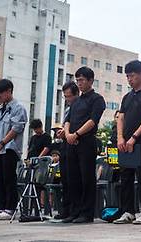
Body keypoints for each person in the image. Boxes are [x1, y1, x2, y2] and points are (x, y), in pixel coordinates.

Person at [113, 60, 141, 225]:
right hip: (125, 143)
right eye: (127, 76)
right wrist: (120, 138)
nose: (129, 79)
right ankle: (128, 211)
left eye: (132, 76)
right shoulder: (127, 96)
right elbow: (121, 117)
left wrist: (134, 137)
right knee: (125, 178)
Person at [62, 67, 106, 224]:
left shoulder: (97, 99)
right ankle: (74, 211)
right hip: (71, 142)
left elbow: (93, 121)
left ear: (90, 81)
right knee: (72, 178)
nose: (79, 83)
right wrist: (68, 134)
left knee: (86, 178)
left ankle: (86, 213)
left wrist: (77, 134)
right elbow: (68, 120)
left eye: (81, 80)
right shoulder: (76, 101)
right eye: (77, 80)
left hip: (86, 142)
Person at [0, 79, 28, 220]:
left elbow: (16, 128)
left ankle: (10, 209)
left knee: (9, 178)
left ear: (9, 91)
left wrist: (2, 143)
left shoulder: (18, 108)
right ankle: (1, 207)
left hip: (10, 148)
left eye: (1, 93)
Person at [53, 81, 79, 220]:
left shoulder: (78, 107)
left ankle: (73, 210)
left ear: (76, 94)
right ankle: (65, 209)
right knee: (64, 179)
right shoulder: (68, 109)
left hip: (74, 143)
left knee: (72, 179)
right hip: (64, 144)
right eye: (65, 97)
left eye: (69, 96)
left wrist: (68, 133)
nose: (67, 100)